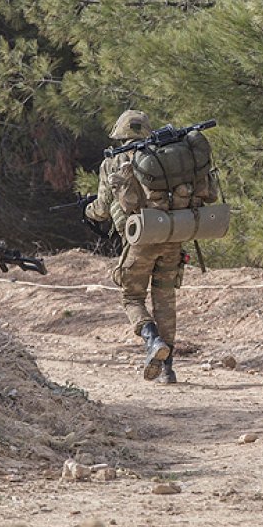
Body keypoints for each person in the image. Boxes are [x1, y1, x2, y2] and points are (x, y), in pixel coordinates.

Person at [85, 110, 216, 384]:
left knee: (131, 298)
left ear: (120, 134)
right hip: (174, 232)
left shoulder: (114, 161)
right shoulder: (169, 155)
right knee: (165, 299)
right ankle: (167, 369)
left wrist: (87, 210)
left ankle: (152, 340)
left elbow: (101, 207)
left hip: (142, 239)